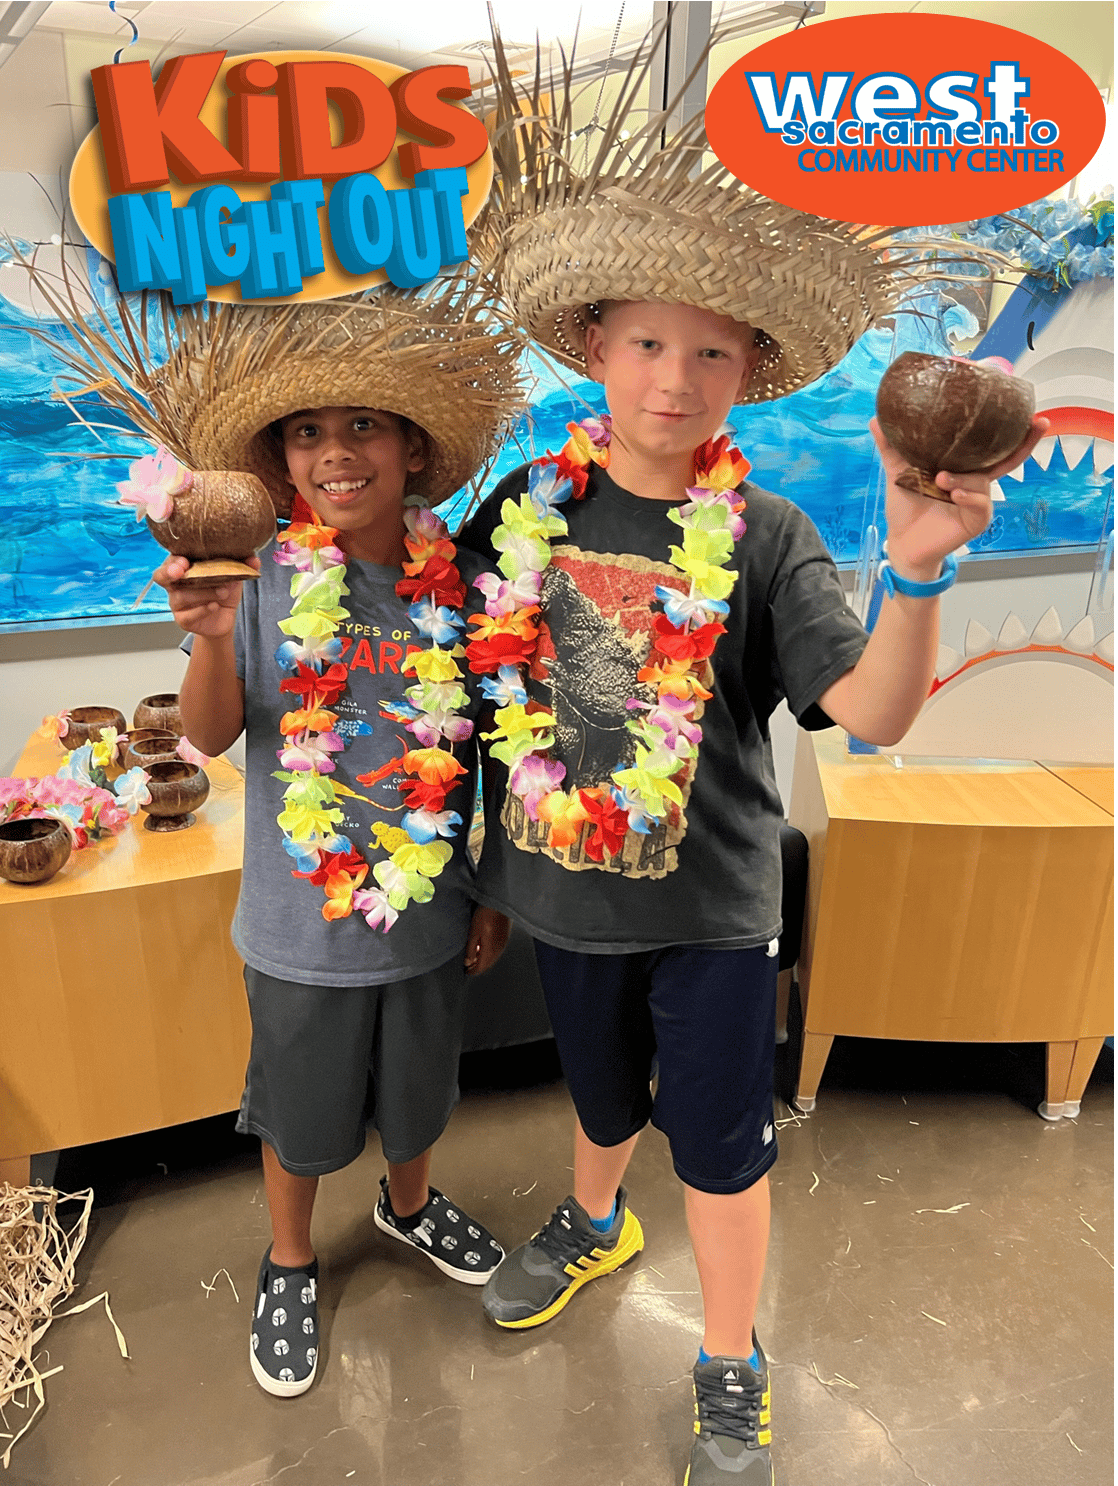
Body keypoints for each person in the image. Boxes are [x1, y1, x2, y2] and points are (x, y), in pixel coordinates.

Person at [456, 53, 1046, 1486]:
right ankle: (596, 1222)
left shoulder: (770, 533)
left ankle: (728, 1354)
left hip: (712, 907)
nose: (674, 379)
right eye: (647, 345)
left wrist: (916, 569)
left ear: (746, 373)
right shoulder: (523, 508)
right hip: (561, 890)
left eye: (709, 355)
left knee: (719, 1143)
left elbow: (872, 711)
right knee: (598, 1098)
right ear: (594, 344)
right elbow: (452, 681)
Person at [139, 286, 526, 1397]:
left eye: (363, 425)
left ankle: (408, 1206)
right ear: (282, 462)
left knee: (417, 1091)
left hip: (427, 905)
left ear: (413, 446)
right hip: (297, 921)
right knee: (299, 1111)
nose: (336, 453)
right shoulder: (255, 574)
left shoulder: (463, 586)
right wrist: (210, 634)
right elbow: (213, 735)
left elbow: (493, 752)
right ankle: (291, 1258)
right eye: (307, 433)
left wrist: (488, 889)